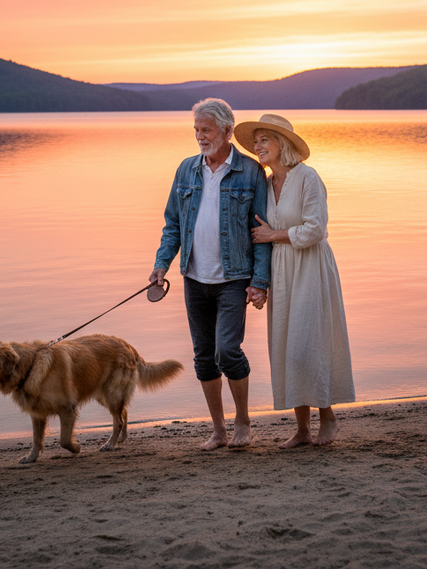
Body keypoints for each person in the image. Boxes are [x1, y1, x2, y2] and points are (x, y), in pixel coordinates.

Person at [151, 99, 271, 450]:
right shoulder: (186, 170)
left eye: (206, 130)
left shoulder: (250, 172)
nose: (200, 137)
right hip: (194, 277)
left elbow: (261, 232)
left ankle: (243, 421)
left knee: (227, 351)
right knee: (204, 355)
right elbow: (172, 224)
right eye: (196, 130)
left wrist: (259, 282)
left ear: (227, 131)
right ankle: (218, 430)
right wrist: (162, 264)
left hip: (234, 278)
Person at [235, 113, 355, 447]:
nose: (257, 146)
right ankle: (302, 428)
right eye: (256, 140)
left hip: (310, 265)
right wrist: (259, 282)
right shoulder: (267, 182)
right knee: (287, 347)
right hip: (282, 269)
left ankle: (328, 417)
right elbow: (258, 233)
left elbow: (317, 228)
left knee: (307, 345)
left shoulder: (308, 177)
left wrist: (276, 234)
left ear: (282, 144)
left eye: (264, 140)